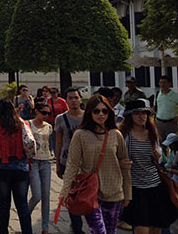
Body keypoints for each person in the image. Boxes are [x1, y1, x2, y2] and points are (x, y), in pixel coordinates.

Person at [60, 95, 132, 234]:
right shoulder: (80, 135)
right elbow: (72, 164)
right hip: (90, 192)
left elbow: (125, 164)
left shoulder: (116, 134)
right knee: (98, 230)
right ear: (89, 113)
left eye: (104, 111)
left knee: (111, 231)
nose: (101, 114)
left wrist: (127, 193)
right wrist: (65, 191)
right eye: (96, 111)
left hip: (114, 191)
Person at [120, 99, 177, 233]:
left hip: (155, 185)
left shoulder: (152, 133)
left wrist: (159, 157)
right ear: (130, 116)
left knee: (156, 228)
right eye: (137, 114)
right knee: (142, 228)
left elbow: (161, 160)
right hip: (136, 188)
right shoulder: (124, 136)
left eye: (145, 113)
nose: (142, 116)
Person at [0, 99, 33, 234]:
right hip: (21, 168)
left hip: (2, 168)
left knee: (3, 205)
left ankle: (3, 231)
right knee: (22, 205)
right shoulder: (22, 124)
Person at [54, 87, 85, 234]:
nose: (73, 100)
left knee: (86, 195)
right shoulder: (60, 118)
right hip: (67, 161)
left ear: (80, 99)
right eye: (70, 98)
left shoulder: (88, 117)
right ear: (66, 100)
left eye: (76, 97)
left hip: (86, 162)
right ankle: (77, 226)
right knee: (72, 195)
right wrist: (58, 163)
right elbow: (59, 142)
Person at [28, 103, 53, 234]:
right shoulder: (28, 125)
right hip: (33, 162)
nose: (46, 115)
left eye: (48, 113)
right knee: (36, 195)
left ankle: (45, 228)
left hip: (46, 162)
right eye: (44, 112)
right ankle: (25, 216)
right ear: (36, 111)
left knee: (46, 195)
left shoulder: (49, 127)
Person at [155, 75, 178, 149]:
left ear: (169, 84)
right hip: (159, 122)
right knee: (161, 144)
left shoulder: (175, 95)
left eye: (164, 83)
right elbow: (155, 107)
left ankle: (173, 159)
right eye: (161, 83)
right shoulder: (158, 94)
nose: (162, 85)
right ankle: (164, 159)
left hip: (171, 123)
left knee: (172, 143)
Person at [44, 87, 68, 155]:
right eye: (51, 93)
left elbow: (66, 111)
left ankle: (58, 152)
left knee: (58, 137)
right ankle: (52, 151)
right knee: (51, 137)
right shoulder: (47, 100)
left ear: (57, 93)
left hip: (60, 121)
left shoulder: (62, 101)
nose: (52, 94)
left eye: (54, 92)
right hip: (50, 121)